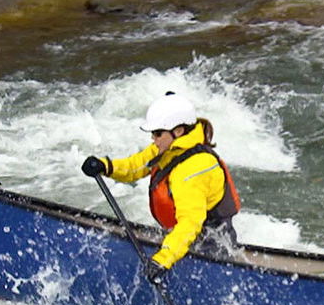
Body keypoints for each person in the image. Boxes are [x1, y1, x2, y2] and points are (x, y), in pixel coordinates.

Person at [82, 91, 240, 281]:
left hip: (211, 244)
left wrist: (162, 260)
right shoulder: (168, 148)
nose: (153, 139)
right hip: (184, 238)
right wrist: (106, 166)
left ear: (178, 131)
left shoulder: (192, 170)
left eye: (157, 133)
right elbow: (137, 165)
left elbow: (190, 225)